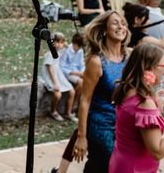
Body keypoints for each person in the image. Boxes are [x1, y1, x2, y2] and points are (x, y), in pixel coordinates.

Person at [50, 10, 130, 173]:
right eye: (115, 23)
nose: (121, 26)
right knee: (104, 165)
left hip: (122, 125)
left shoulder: (129, 57)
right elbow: (85, 100)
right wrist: (81, 136)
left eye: (123, 22)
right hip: (100, 126)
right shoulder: (96, 61)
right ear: (104, 30)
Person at [109, 43, 164, 173]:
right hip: (136, 168)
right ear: (150, 68)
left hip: (121, 162)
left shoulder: (126, 89)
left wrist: (156, 109)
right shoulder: (144, 103)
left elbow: (133, 126)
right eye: (163, 65)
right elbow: (157, 151)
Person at [41, 32, 77, 122]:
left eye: (61, 42)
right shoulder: (50, 54)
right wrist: (55, 83)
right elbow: (50, 68)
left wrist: (63, 43)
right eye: (57, 42)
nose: (59, 45)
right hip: (51, 76)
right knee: (58, 94)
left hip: (58, 74)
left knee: (72, 91)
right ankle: (53, 111)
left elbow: (68, 48)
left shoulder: (59, 51)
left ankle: (68, 112)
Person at [59, 32, 85, 105]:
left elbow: (81, 64)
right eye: (78, 46)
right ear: (74, 43)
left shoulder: (80, 51)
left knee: (89, 80)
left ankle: (81, 102)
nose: (79, 48)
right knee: (81, 82)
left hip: (78, 72)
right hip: (68, 72)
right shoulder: (67, 50)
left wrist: (82, 72)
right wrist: (76, 73)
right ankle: (74, 103)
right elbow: (62, 67)